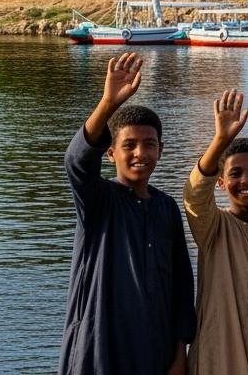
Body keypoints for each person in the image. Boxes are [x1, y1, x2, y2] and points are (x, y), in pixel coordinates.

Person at [61, 53, 195, 375]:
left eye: (149, 145)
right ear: (110, 153)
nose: (140, 153)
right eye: (129, 145)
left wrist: (180, 354)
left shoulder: (167, 208)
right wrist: (107, 103)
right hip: (98, 349)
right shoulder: (98, 199)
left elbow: (182, 287)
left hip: (155, 351)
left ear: (161, 150)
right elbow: (77, 162)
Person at [185, 89, 248, 375]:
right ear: (221, 182)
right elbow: (194, 195)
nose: (246, 180)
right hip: (217, 360)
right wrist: (220, 141)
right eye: (235, 174)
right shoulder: (213, 228)